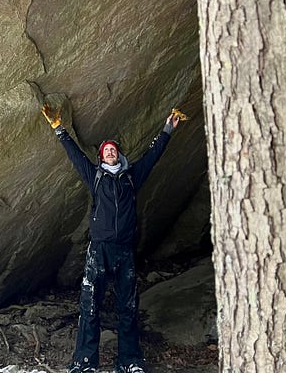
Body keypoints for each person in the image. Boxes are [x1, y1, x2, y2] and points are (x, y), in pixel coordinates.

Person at [41, 104, 183, 373]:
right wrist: (58, 128)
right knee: (90, 303)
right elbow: (74, 156)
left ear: (119, 155)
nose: (110, 151)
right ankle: (84, 362)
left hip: (125, 250)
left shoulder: (131, 177)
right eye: (106, 149)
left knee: (128, 306)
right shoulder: (95, 177)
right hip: (100, 249)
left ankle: (129, 361)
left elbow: (153, 156)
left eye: (113, 149)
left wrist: (167, 129)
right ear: (101, 156)